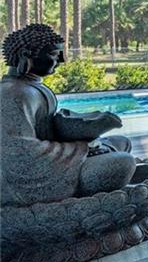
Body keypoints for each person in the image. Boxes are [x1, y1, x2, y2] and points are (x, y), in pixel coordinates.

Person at [1, 24, 136, 206]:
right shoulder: (12, 94)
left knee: (122, 142)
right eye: (55, 55)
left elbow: (45, 131)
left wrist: (80, 137)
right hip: (32, 181)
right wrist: (82, 149)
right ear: (26, 56)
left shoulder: (31, 88)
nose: (62, 60)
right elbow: (20, 155)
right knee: (124, 163)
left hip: (58, 158)